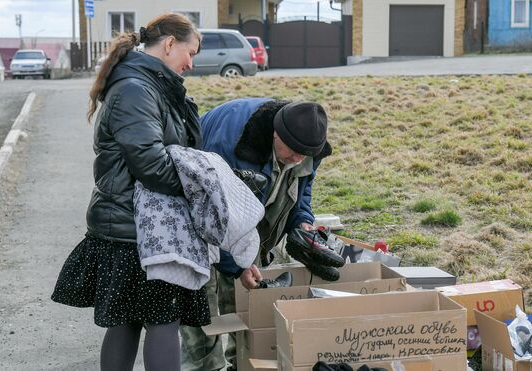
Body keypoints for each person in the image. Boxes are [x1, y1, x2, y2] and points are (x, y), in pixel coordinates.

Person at [51, 13, 205, 371]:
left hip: (130, 225)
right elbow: (150, 164)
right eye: (190, 52)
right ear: (169, 44)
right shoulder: (137, 89)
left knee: (128, 321)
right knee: (161, 323)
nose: (191, 64)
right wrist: (198, 189)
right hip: (137, 230)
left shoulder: (147, 85)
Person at [180, 98, 332, 371]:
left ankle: (241, 363)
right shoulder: (232, 144)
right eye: (293, 151)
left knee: (244, 295)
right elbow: (209, 212)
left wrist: (303, 223)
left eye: (305, 155)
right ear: (276, 133)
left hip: (244, 220)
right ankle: (204, 366)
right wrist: (235, 264)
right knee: (202, 298)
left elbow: (302, 189)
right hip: (196, 213)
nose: (298, 159)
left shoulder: (308, 147)